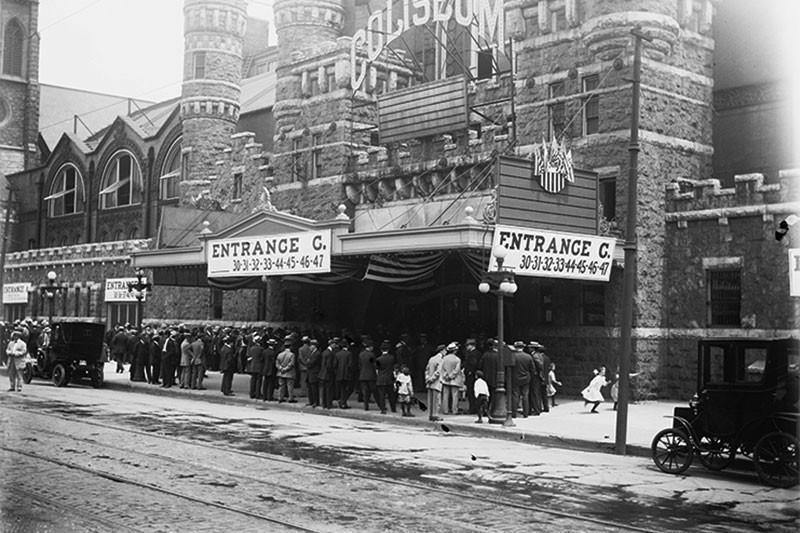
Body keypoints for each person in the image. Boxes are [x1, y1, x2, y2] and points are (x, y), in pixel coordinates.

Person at [512, 341, 533, 417]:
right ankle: (525, 413)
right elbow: (532, 369)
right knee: (525, 395)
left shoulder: (513, 356)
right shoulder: (528, 357)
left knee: (515, 395)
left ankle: (514, 413)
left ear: (515, 347)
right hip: (526, 378)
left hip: (515, 378)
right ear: (523, 347)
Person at [375, 340, 396, 414]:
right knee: (391, 395)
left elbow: (377, 370)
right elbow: (393, 368)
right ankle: (393, 408)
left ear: (381, 350)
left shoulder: (378, 359)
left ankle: (383, 409)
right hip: (389, 378)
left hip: (381, 378)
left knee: (381, 395)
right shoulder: (391, 358)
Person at [440, 342, 461, 415]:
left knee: (445, 395)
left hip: (445, 379)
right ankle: (454, 410)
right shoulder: (457, 359)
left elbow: (442, 368)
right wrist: (451, 376)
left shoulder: (444, 358)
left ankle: (445, 410)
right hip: (455, 380)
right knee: (455, 396)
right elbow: (456, 370)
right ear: (454, 351)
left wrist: (446, 376)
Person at [425, 344, 445, 421]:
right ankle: (435, 415)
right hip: (436, 382)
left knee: (430, 400)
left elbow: (426, 370)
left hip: (429, 383)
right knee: (436, 400)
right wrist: (432, 379)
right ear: (442, 351)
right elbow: (438, 372)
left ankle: (430, 414)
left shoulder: (431, 359)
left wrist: (428, 378)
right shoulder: (441, 359)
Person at [358, 339, 378, 410]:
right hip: (370, 375)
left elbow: (360, 365)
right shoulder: (371, 355)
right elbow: (374, 365)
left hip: (363, 375)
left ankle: (366, 406)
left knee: (365, 391)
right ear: (370, 347)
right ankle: (380, 405)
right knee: (374, 391)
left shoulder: (361, 354)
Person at [276, 338, 297, 402]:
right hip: (289, 373)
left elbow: (277, 363)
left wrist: (281, 368)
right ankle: (290, 398)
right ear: (290, 346)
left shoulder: (280, 354)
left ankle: (280, 397)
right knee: (290, 386)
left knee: (281, 386)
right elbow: (291, 364)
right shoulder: (292, 354)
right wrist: (286, 369)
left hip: (281, 372)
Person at [305, 339, 321, 407]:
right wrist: (308, 362)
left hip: (314, 373)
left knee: (314, 389)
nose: (310, 347)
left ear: (314, 346)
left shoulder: (317, 353)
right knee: (310, 388)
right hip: (309, 373)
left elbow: (312, 363)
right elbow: (307, 360)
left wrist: (308, 362)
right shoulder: (311, 353)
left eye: (311, 345)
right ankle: (311, 401)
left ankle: (316, 402)